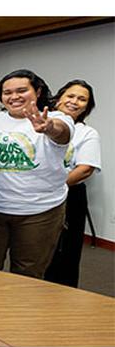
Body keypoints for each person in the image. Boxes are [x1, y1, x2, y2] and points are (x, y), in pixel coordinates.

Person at [0, 69, 74, 278]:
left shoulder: (56, 117)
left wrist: (48, 127)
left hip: (40, 211)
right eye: (7, 92)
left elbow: (62, 133)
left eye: (21, 90)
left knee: (28, 273)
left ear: (37, 91)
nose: (14, 97)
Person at [45, 79, 101, 287]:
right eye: (70, 96)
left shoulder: (86, 133)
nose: (75, 102)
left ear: (87, 106)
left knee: (64, 253)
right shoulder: (43, 123)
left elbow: (85, 169)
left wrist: (52, 188)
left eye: (82, 99)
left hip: (69, 196)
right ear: (59, 98)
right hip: (35, 196)